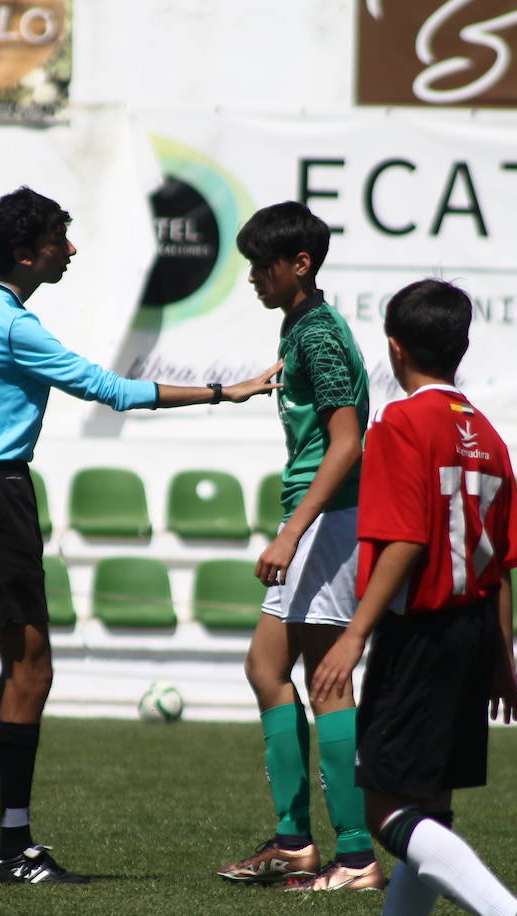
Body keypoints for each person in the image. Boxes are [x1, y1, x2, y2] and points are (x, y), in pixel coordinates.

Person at [0, 186, 280, 885]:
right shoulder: (14, 326)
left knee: (25, 675)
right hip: (0, 499)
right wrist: (229, 392)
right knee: (33, 674)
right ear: (27, 253)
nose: (69, 250)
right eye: (57, 241)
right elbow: (113, 390)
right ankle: (7, 850)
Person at [311, 278, 517, 916]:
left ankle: (512, 914)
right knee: (432, 809)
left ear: (395, 351)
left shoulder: (401, 422)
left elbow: (404, 542)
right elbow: (501, 566)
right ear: (463, 346)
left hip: (419, 636)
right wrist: (502, 661)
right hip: (473, 631)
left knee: (384, 808)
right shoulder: (488, 433)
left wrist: (353, 635)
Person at [213, 202, 384, 893]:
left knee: (327, 681)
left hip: (328, 521)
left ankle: (355, 855)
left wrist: (292, 531)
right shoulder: (302, 326)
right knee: (265, 667)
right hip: (318, 518)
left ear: (300, 265)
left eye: (263, 265)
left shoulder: (316, 334)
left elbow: (348, 442)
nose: (254, 276)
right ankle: (295, 844)